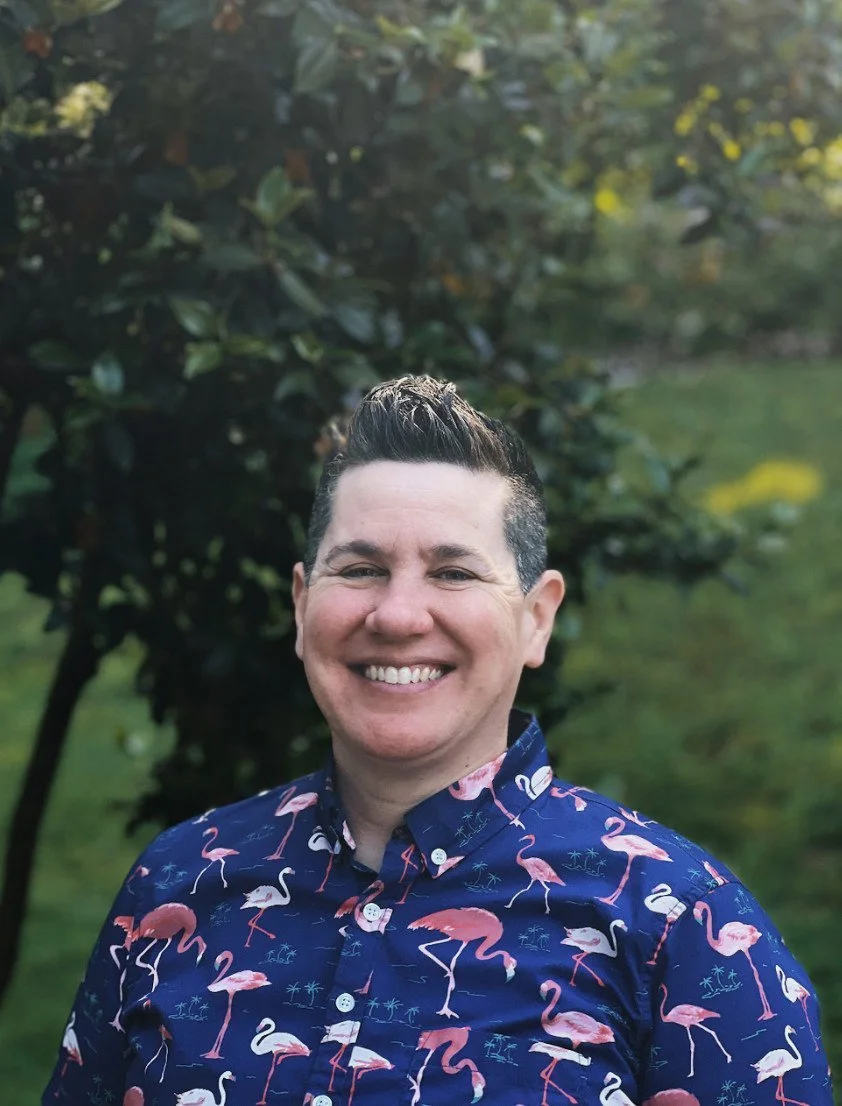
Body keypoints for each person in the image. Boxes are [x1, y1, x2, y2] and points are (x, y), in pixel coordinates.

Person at [45, 376, 831, 1106]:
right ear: (300, 604)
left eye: (453, 573)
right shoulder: (177, 882)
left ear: (536, 618)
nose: (396, 615)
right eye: (359, 568)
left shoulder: (680, 923)